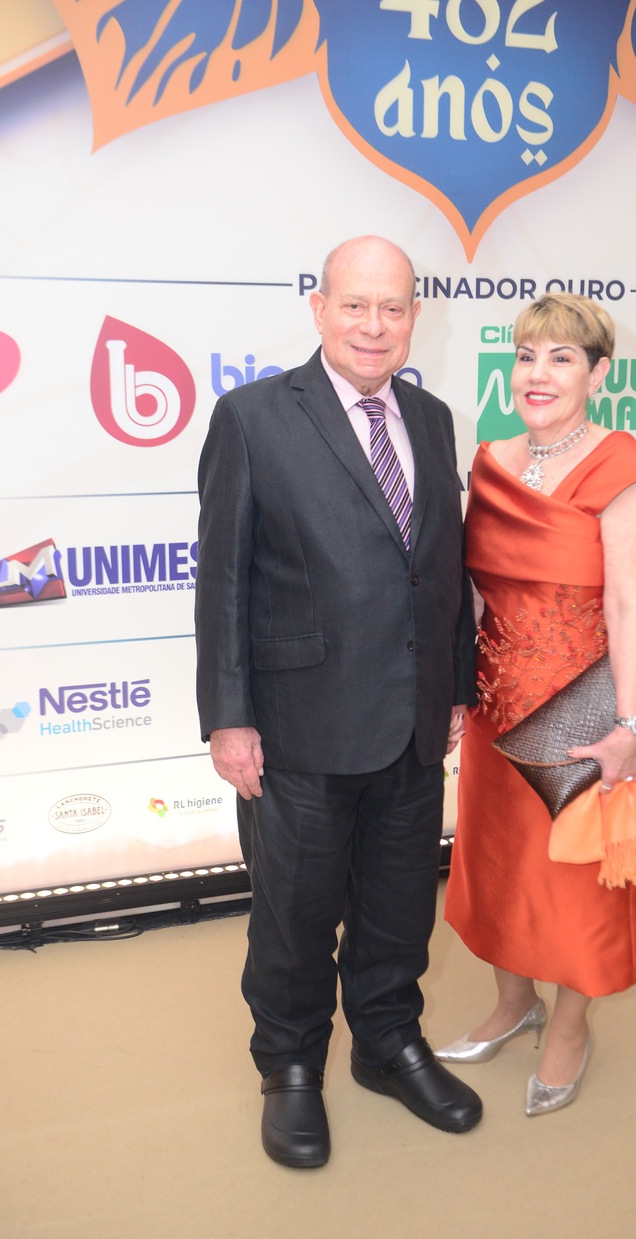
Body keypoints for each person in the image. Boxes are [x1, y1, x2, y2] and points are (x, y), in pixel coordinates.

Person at [195, 235, 482, 1168]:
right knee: (294, 912)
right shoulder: (252, 417)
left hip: (413, 721)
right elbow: (222, 580)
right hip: (297, 725)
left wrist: (454, 686)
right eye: (354, 305)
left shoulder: (431, 419)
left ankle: (387, 1043)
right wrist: (228, 716)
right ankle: (288, 1066)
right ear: (318, 309)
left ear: (413, 317)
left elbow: (441, 567)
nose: (373, 325)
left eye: (392, 307)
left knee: (398, 906)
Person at [437, 292, 636, 1116]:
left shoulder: (620, 467)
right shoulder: (489, 461)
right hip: (494, 709)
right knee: (497, 868)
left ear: (597, 374)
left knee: (577, 884)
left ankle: (569, 1024)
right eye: (526, 355)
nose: (538, 373)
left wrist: (629, 728)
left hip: (579, 717)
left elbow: (628, 608)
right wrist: (452, 692)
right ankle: (513, 1004)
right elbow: (470, 592)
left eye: (561, 358)